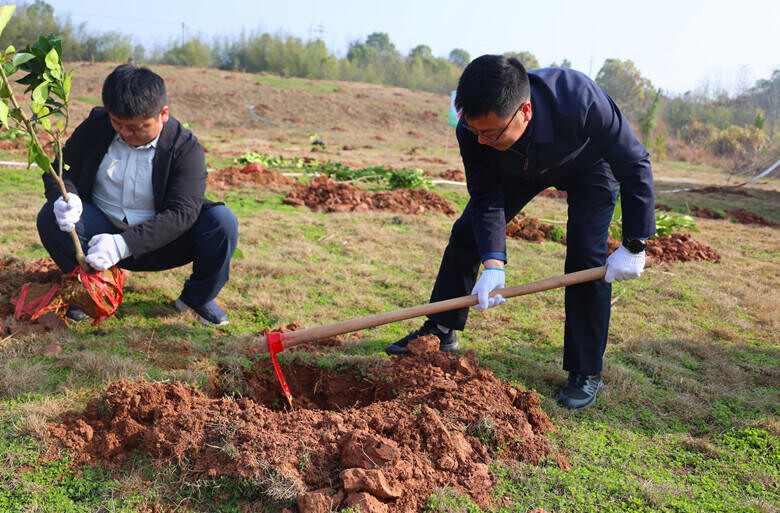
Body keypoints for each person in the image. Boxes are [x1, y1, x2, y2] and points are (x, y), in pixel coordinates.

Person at [386, 55, 655, 410]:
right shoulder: (475, 132)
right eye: (476, 132)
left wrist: (635, 244)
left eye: (490, 132)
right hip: (515, 164)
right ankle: (441, 329)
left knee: (586, 256)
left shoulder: (579, 98)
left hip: (589, 166)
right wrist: (493, 263)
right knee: (467, 232)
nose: (481, 140)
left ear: (525, 111)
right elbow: (485, 197)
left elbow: (634, 162)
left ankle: (586, 370)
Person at [37, 64, 238, 327]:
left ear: (163, 114)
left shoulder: (185, 147)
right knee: (49, 217)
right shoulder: (96, 126)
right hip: (100, 229)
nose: (125, 133)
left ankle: (196, 298)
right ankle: (90, 287)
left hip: (161, 239)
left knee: (221, 222)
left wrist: (123, 244)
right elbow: (61, 171)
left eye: (137, 127)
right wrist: (67, 197)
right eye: (118, 124)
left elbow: (182, 213)